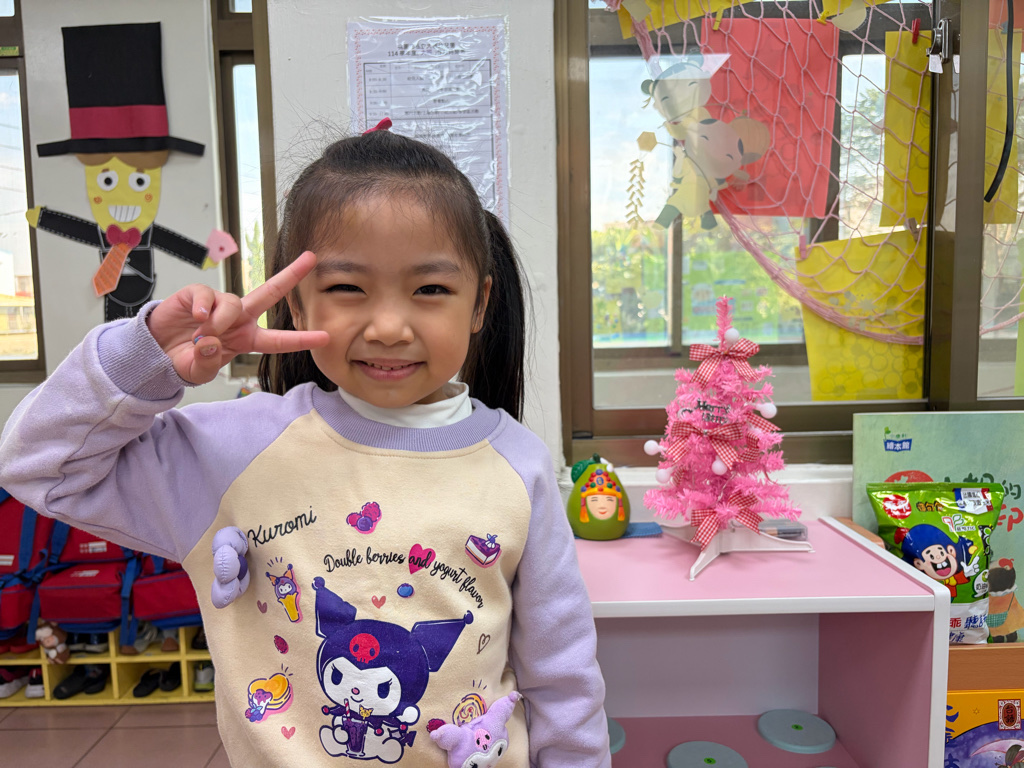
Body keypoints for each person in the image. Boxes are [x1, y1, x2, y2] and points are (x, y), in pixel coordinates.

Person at [0, 126, 611, 767]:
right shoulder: (234, 452)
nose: (389, 327)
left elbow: (562, 679)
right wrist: (146, 354)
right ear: (296, 303)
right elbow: (40, 467)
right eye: (348, 288)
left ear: (479, 303)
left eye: (430, 289)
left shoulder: (519, 466)